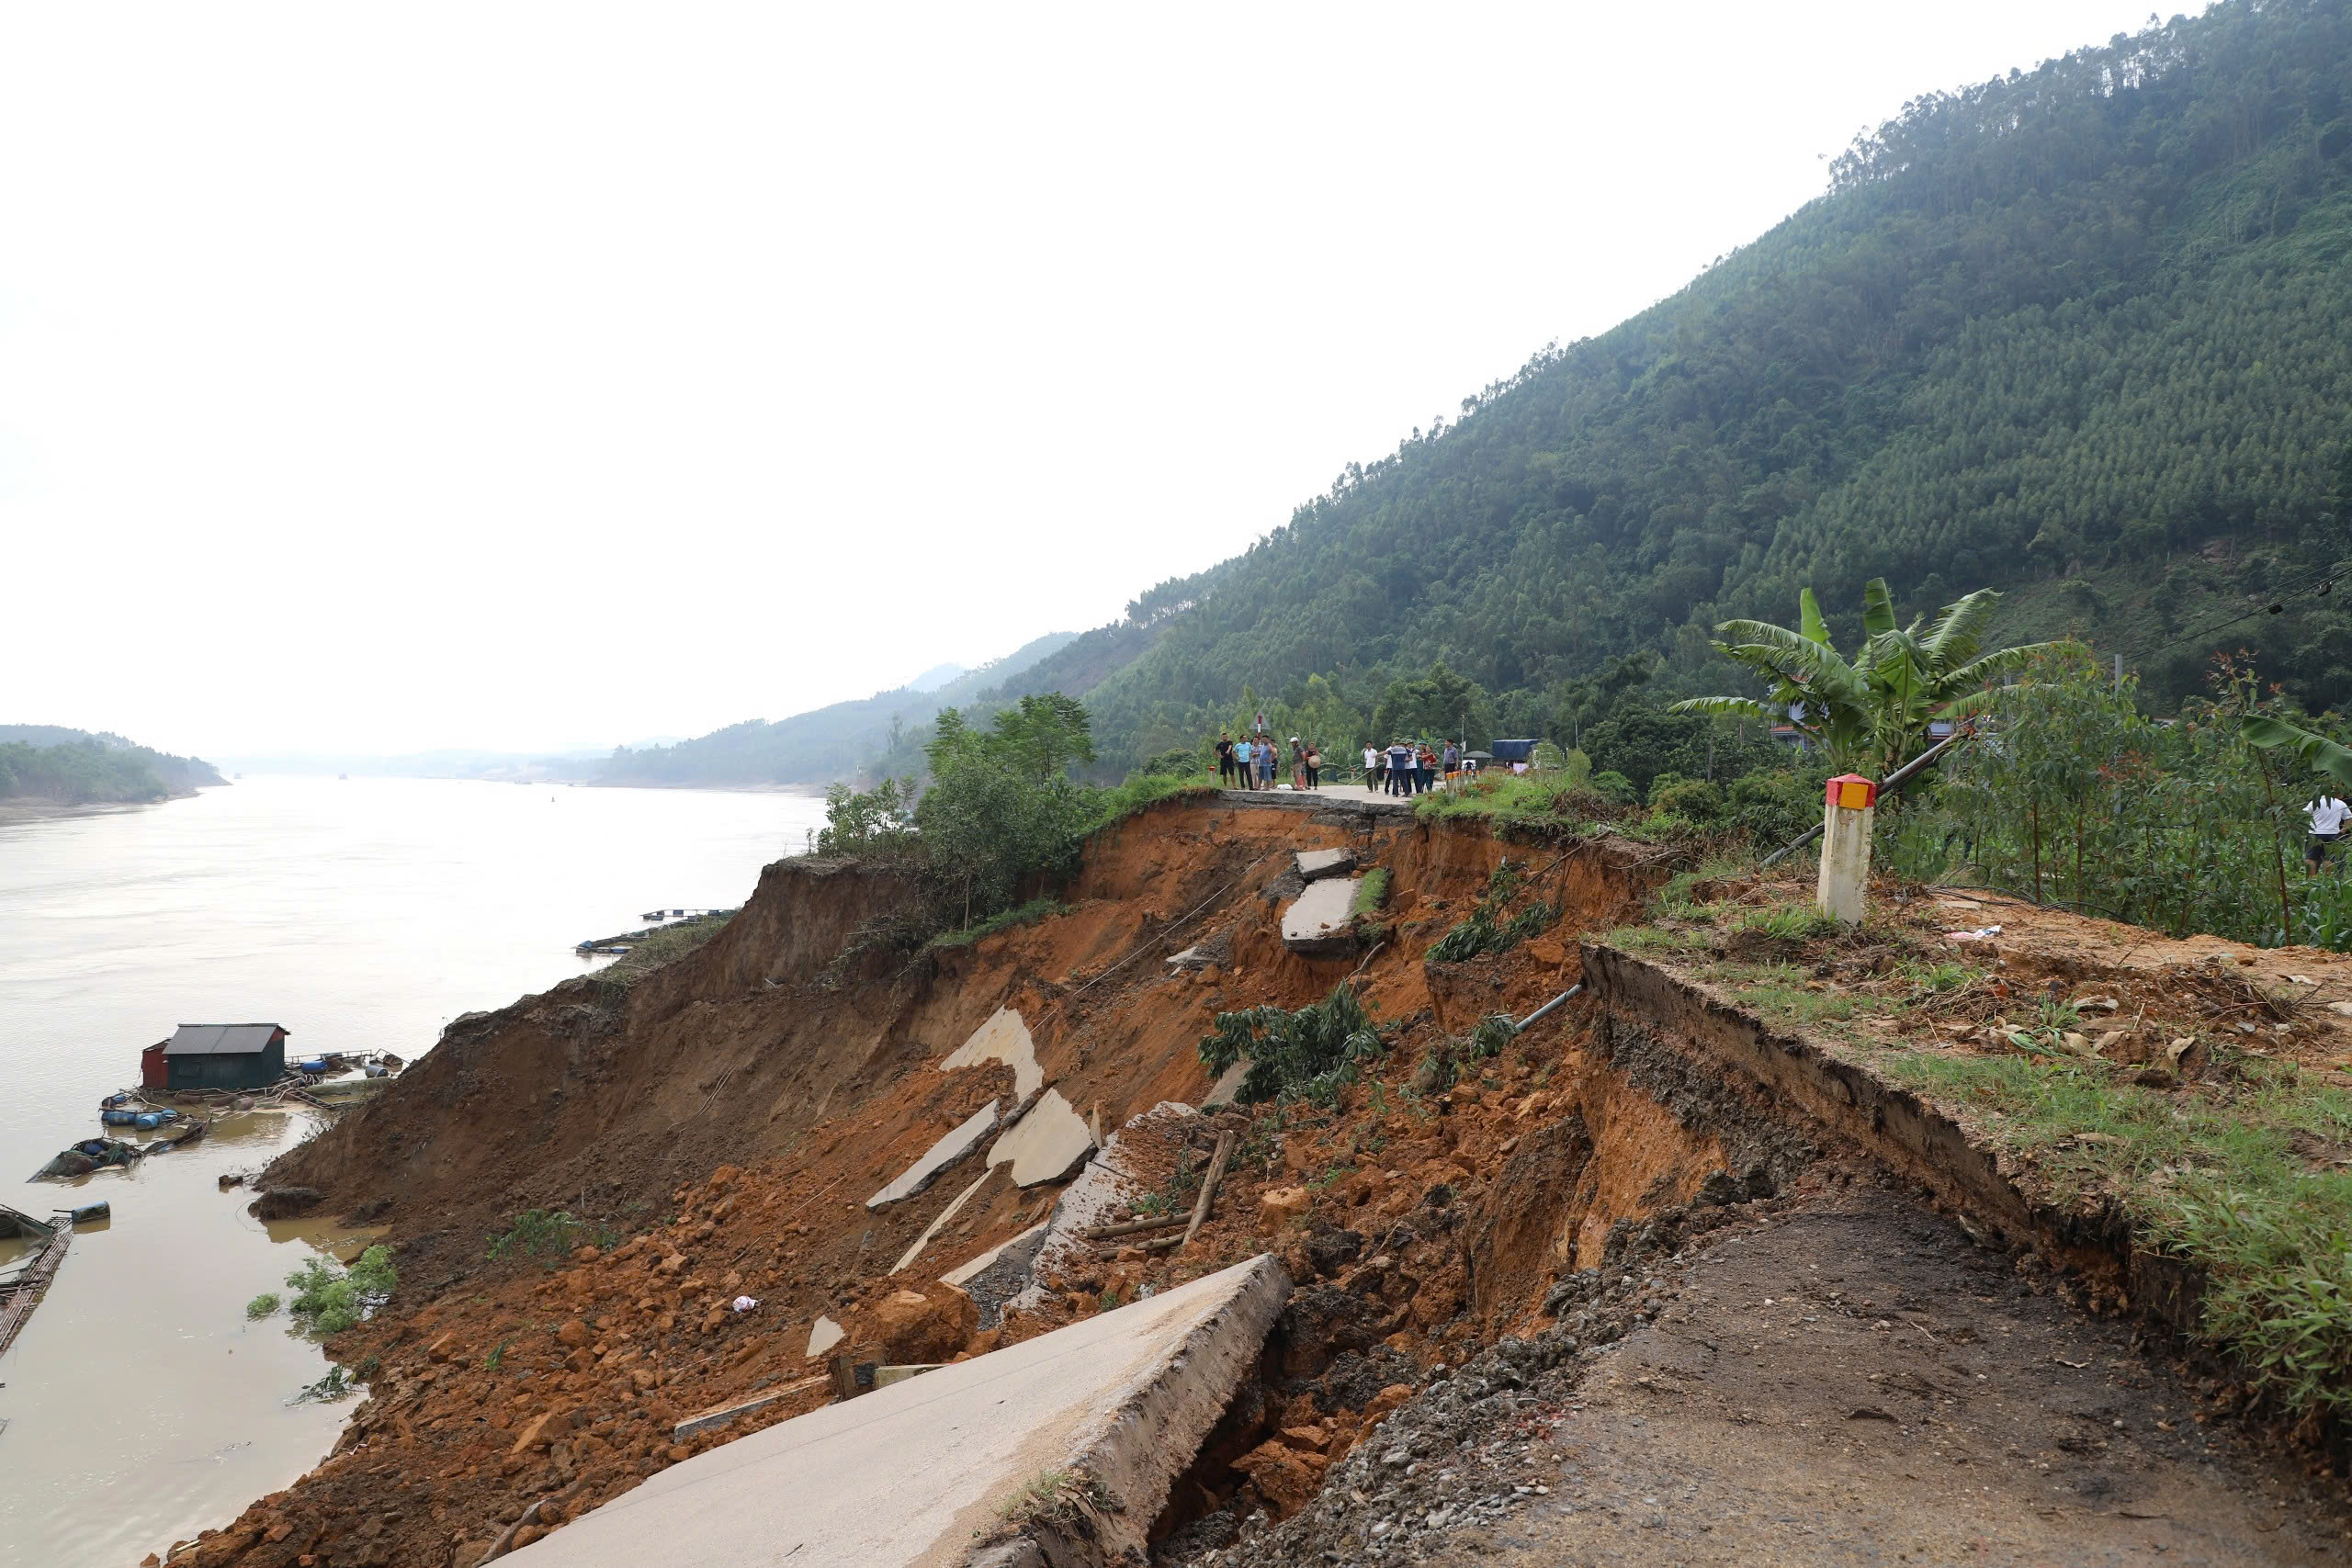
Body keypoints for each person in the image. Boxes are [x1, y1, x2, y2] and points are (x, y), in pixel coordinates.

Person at [2307, 787, 2351, 872]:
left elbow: (2305, 816)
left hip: (2315, 833)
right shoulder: (2340, 803)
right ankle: (2327, 880)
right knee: (2329, 858)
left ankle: (2310, 881)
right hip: (2333, 834)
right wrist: (2342, 832)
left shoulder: (2314, 802)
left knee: (2311, 858)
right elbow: (2349, 819)